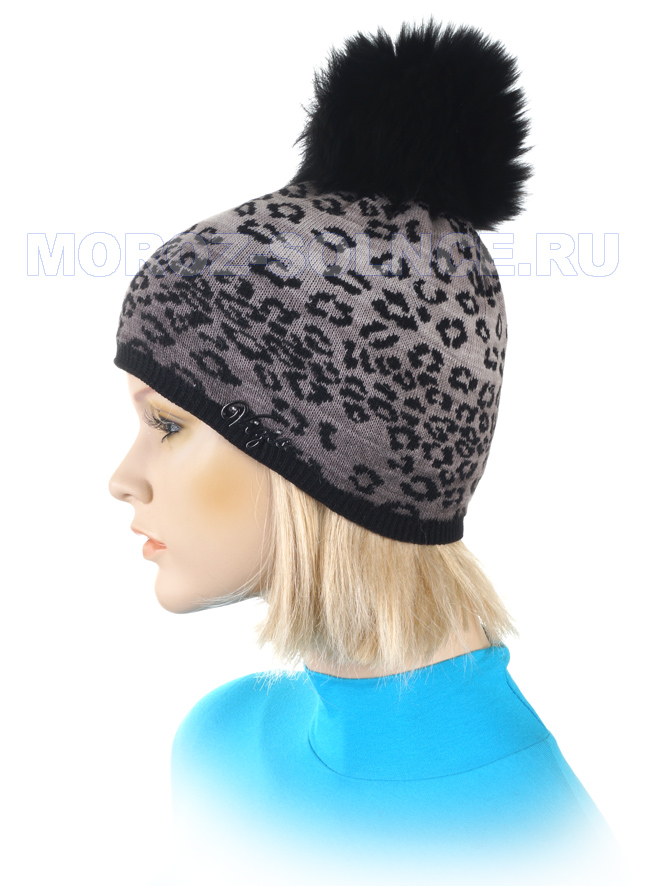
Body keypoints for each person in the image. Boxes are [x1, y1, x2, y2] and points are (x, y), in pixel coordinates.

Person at [108, 17, 629, 886]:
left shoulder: (535, 846)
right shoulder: (217, 745)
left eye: (168, 424)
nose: (122, 480)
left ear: (326, 460)